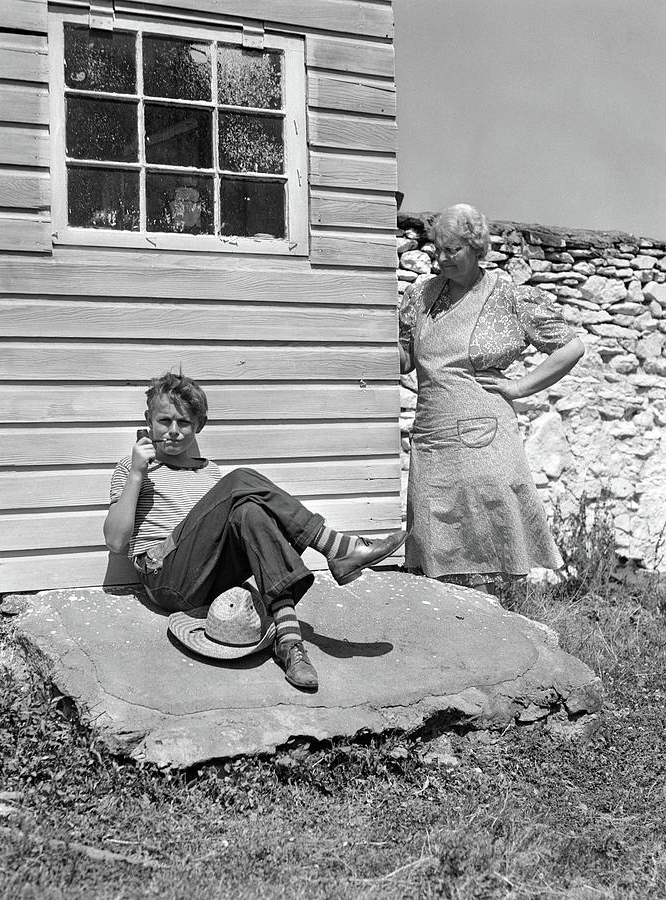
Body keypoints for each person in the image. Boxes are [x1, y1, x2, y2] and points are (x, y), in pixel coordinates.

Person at [104, 371, 406, 691]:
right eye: (164, 421)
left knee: (251, 512)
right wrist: (137, 473)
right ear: (148, 420)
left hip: (204, 583)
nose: (174, 431)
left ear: (199, 426)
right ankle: (338, 547)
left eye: (184, 423)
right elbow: (115, 541)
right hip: (163, 578)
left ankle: (289, 644)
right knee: (241, 480)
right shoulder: (132, 465)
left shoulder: (211, 473)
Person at [398, 203, 584, 594]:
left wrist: (518, 388)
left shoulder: (508, 297)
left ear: (476, 248)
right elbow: (404, 361)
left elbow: (570, 348)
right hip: (432, 440)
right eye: (438, 249)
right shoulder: (421, 296)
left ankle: (487, 638)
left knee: (477, 546)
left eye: (453, 250)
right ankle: (448, 639)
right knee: (433, 545)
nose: (442, 258)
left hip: (484, 439)